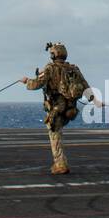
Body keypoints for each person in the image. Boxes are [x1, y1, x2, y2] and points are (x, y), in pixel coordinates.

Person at [21, 42, 94, 174]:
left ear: (54, 54)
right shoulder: (73, 69)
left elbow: (37, 84)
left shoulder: (50, 68)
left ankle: (60, 164)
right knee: (57, 133)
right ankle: (61, 163)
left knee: (55, 134)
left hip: (57, 107)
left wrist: (27, 81)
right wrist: (94, 100)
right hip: (70, 107)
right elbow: (85, 85)